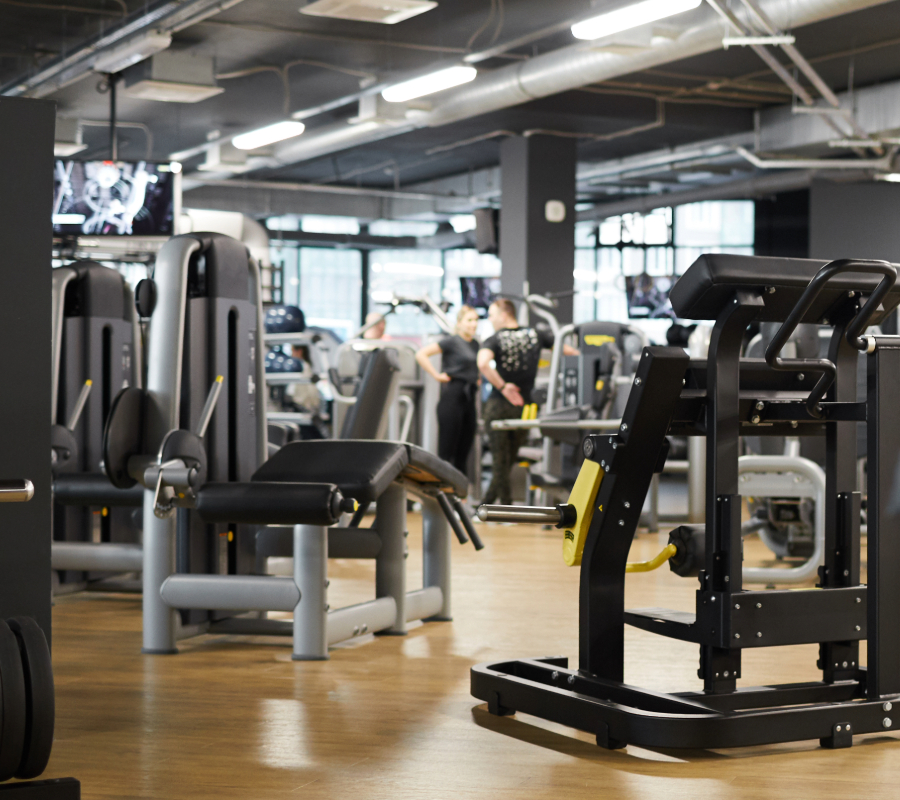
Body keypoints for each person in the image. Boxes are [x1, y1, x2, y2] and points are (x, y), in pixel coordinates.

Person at [477, 298, 577, 506]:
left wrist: (503, 387)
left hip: (499, 403)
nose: (491, 319)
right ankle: (504, 505)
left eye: (492, 315)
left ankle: (489, 506)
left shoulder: (496, 338)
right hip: (526, 406)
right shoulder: (536, 335)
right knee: (508, 459)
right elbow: (571, 352)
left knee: (499, 460)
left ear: (505, 314)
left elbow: (483, 363)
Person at [415, 306, 481, 474]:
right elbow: (421, 354)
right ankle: (442, 493)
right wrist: (436, 375)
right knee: (447, 450)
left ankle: (459, 495)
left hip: (469, 397)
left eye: (476, 320)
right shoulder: (451, 341)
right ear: (459, 323)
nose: (473, 324)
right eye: (469, 320)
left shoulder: (475, 344)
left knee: (464, 449)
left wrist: (476, 377)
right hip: (452, 396)